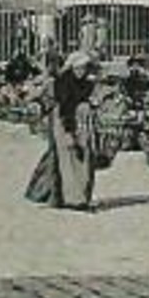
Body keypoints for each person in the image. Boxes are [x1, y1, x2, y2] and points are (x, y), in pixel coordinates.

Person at [26, 51, 102, 210]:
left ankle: (78, 195)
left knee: (82, 159)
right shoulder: (64, 83)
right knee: (69, 160)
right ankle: (74, 199)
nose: (81, 71)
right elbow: (65, 109)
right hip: (64, 123)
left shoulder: (85, 82)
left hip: (80, 125)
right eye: (79, 68)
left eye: (84, 68)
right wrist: (69, 133)